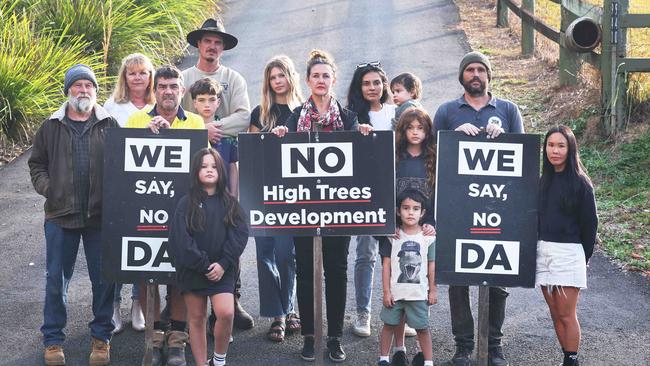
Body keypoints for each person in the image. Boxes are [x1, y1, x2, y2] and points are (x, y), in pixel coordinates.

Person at [272, 49, 373, 362]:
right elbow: (279, 151)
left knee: (336, 270)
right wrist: (279, 133)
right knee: (306, 271)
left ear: (333, 80)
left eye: (325, 75)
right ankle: (309, 336)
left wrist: (363, 133)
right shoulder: (294, 116)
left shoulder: (348, 117)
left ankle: (333, 338)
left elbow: (362, 153)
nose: (320, 80)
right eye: (315, 75)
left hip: (339, 208)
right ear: (307, 80)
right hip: (303, 207)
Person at [433, 51, 524, 366]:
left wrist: (506, 140)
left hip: (497, 207)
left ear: (489, 75)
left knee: (496, 279)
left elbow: (522, 161)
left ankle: (493, 344)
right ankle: (463, 346)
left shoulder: (508, 110)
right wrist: (452, 137)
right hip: (458, 208)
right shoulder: (446, 111)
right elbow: (433, 154)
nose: (475, 74)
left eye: (481, 69)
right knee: (458, 280)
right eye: (470, 69)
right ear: (462, 76)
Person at [29, 64, 118, 366]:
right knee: (56, 279)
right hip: (60, 215)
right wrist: (48, 188)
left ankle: (101, 337)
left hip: (99, 217)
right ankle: (53, 341)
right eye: (77, 86)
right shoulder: (51, 126)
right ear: (67, 92)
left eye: (88, 86)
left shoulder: (110, 124)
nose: (83, 91)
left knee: (104, 279)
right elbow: (36, 164)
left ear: (95, 90)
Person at [126, 65, 205, 366]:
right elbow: (125, 165)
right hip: (145, 209)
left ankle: (177, 339)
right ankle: (156, 334)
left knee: (179, 277)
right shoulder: (135, 119)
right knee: (149, 274)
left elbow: (204, 168)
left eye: (174, 86)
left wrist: (171, 138)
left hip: (184, 214)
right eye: (162, 86)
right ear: (154, 90)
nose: (168, 91)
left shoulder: (196, 122)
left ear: (182, 90)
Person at [182, 18, 254, 329]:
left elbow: (244, 116)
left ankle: (231, 300)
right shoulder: (184, 78)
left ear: (223, 47)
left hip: (225, 166)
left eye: (218, 42)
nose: (212, 46)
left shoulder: (233, 79)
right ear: (198, 44)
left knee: (227, 237)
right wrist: (199, 129)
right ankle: (186, 306)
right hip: (191, 171)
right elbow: (178, 117)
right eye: (207, 41)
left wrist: (213, 128)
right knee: (193, 234)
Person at [167, 148, 249, 366]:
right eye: (204, 166)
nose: (209, 170)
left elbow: (240, 236)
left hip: (223, 270)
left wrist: (222, 264)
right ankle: (202, 363)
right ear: (196, 172)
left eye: (213, 166)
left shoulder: (231, 204)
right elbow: (181, 241)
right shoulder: (186, 203)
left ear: (221, 171)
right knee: (196, 318)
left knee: (226, 312)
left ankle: (219, 360)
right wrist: (203, 265)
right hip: (194, 270)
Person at [249, 55, 303, 342]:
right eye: (273, 77)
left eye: (282, 75)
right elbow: (251, 155)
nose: (278, 81)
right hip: (263, 196)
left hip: (294, 198)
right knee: (265, 255)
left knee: (287, 255)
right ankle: (277, 315)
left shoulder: (304, 112)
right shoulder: (261, 113)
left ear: (291, 77)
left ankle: (290, 307)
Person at [103, 52, 155, 334]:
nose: (137, 77)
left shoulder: (157, 104)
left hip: (152, 187)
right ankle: (114, 306)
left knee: (144, 243)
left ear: (150, 77)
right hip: (121, 185)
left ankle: (138, 304)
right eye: (132, 73)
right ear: (125, 77)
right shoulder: (112, 106)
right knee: (119, 245)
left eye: (143, 72)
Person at [537, 125, 598, 366]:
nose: (555, 150)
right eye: (551, 145)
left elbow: (590, 225)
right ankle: (566, 357)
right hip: (544, 251)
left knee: (566, 313)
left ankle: (573, 360)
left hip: (569, 253)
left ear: (570, 148)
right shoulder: (543, 181)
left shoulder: (581, 183)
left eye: (561, 145)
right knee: (554, 313)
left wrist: (582, 259)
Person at [345, 62, 397, 338]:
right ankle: (363, 312)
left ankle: (401, 311)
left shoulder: (395, 112)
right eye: (366, 83)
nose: (372, 87)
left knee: (399, 253)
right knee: (366, 255)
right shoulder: (350, 116)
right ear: (359, 87)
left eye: (377, 82)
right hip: (365, 196)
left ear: (384, 85)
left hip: (394, 193)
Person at [392, 108, 438, 366]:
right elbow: (384, 189)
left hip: (425, 232)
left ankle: (422, 349)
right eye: (411, 128)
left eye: (420, 128)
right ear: (404, 131)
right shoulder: (396, 158)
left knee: (420, 288)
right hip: (397, 232)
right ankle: (399, 347)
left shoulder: (432, 158)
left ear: (426, 131)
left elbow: (440, 194)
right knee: (398, 289)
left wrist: (432, 223)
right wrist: (390, 223)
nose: (416, 133)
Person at [377, 189, 437, 366]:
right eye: (406, 208)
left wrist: (433, 289)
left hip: (418, 294)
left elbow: (432, 264)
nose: (410, 212)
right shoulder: (392, 237)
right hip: (396, 294)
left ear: (423, 212)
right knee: (389, 325)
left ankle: (428, 361)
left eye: (415, 208)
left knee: (422, 328)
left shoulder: (429, 238)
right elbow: (386, 265)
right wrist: (386, 292)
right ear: (398, 211)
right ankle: (384, 359)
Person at [189, 78, 238, 196]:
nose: (207, 105)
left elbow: (232, 165)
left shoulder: (227, 132)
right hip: (196, 195)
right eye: (201, 100)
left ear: (218, 103)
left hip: (224, 195)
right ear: (194, 103)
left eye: (212, 100)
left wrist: (234, 195)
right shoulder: (189, 128)